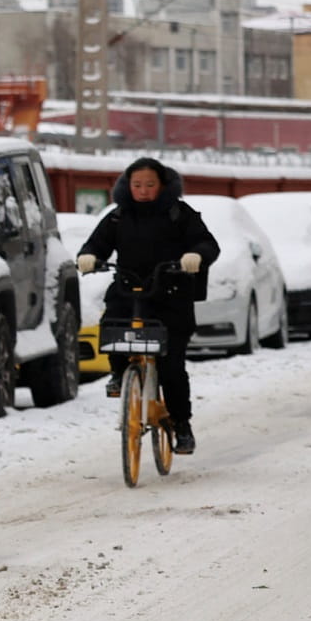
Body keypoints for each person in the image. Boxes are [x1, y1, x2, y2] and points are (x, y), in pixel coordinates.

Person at [75, 157, 220, 453]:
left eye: (149, 185)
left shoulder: (179, 214)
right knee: (113, 328)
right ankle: (119, 375)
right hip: (129, 290)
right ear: (127, 186)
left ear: (163, 185)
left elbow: (207, 244)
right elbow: (96, 244)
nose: (142, 191)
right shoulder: (118, 217)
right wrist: (88, 256)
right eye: (137, 185)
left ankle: (181, 425)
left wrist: (195, 257)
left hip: (171, 295)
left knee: (171, 367)